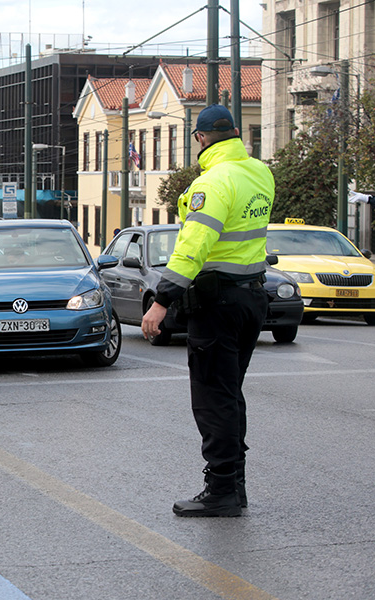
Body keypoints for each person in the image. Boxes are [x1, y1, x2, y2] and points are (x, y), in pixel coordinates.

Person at [141, 104, 274, 517]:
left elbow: (193, 246)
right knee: (230, 395)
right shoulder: (259, 173)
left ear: (200, 138)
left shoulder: (213, 182)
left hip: (218, 303)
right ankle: (236, 485)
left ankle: (222, 491)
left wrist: (160, 302)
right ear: (236, 132)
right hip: (252, 297)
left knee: (214, 399)